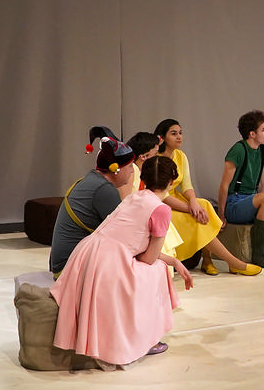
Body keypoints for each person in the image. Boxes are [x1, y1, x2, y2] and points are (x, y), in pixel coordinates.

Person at [50, 155, 194, 368]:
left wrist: (174, 261)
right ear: (172, 182)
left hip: (87, 253)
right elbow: (149, 258)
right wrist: (171, 262)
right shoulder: (161, 209)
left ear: (143, 178)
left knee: (158, 266)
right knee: (158, 270)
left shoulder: (134, 198)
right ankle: (146, 339)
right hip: (110, 263)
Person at [154, 118, 261, 276]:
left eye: (181, 133)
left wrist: (193, 202)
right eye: (174, 133)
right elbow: (162, 195)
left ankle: (207, 259)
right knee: (196, 218)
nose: (179, 137)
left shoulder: (181, 156)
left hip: (176, 197)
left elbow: (187, 186)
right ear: (162, 137)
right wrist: (190, 208)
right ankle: (233, 263)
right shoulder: (155, 158)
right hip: (161, 203)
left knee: (204, 205)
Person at [50, 126, 135, 276]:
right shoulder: (104, 189)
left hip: (65, 264)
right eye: (129, 166)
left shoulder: (92, 180)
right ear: (116, 169)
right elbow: (124, 234)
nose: (132, 171)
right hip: (70, 270)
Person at [218, 110, 264, 269]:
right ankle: (259, 254)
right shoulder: (238, 150)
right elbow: (224, 186)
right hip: (234, 202)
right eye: (263, 130)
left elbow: (262, 182)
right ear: (252, 134)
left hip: (251, 199)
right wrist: (221, 215)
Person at [126, 131, 183, 259]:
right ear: (143, 156)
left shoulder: (142, 172)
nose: (158, 157)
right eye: (156, 154)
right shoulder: (132, 171)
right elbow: (126, 202)